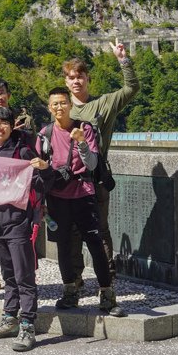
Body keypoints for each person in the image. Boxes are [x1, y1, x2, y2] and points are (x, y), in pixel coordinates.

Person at [38, 88, 124, 317]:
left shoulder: (84, 128)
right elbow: (40, 170)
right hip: (57, 197)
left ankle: (107, 294)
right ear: (49, 108)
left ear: (70, 105)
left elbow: (93, 164)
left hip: (84, 193)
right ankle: (70, 292)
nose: (59, 107)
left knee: (95, 244)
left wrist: (82, 143)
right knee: (64, 246)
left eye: (63, 103)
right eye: (54, 104)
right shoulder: (45, 134)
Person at [63, 43, 140, 287]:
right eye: (71, 77)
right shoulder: (62, 107)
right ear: (66, 81)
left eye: (80, 76)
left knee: (100, 230)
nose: (76, 81)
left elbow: (132, 88)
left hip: (96, 178)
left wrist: (123, 60)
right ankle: (75, 279)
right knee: (73, 232)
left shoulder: (104, 104)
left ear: (88, 78)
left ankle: (107, 280)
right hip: (70, 181)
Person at [0, 108, 50, 351]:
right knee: (9, 275)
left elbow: (41, 183)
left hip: (18, 222)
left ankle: (28, 325)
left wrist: (43, 167)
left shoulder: (23, 151)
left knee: (24, 276)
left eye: (4, 123)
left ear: (12, 126)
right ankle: (10, 318)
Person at [0, 78, 37, 295]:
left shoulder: (21, 121)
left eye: (2, 92)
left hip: (15, 196)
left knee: (17, 244)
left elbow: (32, 155)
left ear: (8, 95)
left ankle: (20, 283)